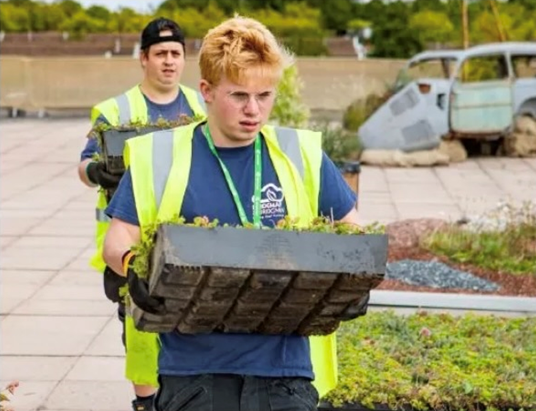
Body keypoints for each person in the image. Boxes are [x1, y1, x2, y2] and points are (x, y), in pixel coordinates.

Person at [103, 15, 359, 411]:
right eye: (239, 96)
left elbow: (352, 230)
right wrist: (134, 265)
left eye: (265, 95)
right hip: (194, 373)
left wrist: (352, 280)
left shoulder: (300, 154)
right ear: (206, 90)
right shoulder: (161, 155)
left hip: (284, 374)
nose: (254, 110)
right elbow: (118, 237)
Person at [77, 17, 206, 411]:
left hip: (189, 235)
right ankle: (146, 403)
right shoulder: (115, 111)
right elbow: (83, 167)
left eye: (176, 54)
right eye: (161, 54)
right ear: (143, 58)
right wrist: (97, 171)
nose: (169, 62)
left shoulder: (201, 105)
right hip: (129, 238)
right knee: (139, 328)